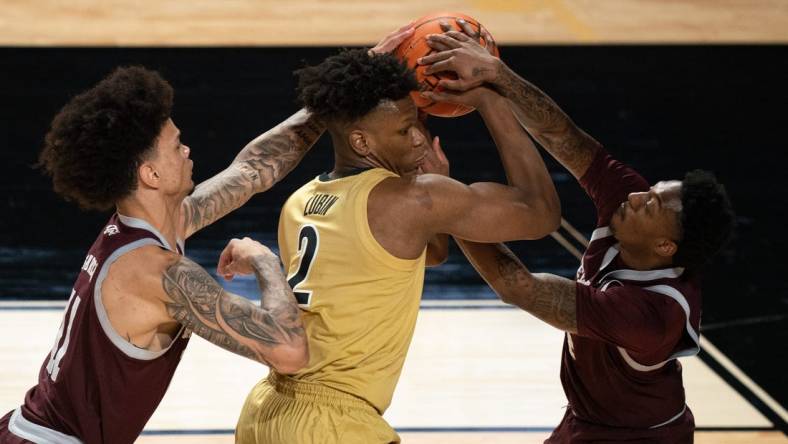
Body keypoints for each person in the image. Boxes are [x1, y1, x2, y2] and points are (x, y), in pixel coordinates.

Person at [234, 24, 561, 442]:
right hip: (335, 424)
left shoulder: (299, 201)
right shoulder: (414, 199)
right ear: (362, 142)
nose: (420, 140)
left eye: (418, 123)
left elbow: (421, 256)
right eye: (405, 129)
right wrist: (490, 100)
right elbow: (540, 212)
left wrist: (436, 193)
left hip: (268, 411)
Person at [419, 22, 736, 443]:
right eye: (651, 190)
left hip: (636, 438)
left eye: (653, 204)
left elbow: (518, 286)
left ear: (665, 245)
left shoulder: (651, 315)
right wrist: (496, 74)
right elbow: (561, 135)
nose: (639, 195)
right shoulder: (630, 203)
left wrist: (450, 204)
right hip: (585, 419)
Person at [0, 66, 325, 443]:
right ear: (150, 174)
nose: (187, 149)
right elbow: (289, 351)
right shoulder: (158, 274)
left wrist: (328, 103)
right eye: (176, 145)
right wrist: (265, 259)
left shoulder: (147, 228)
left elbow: (253, 170)